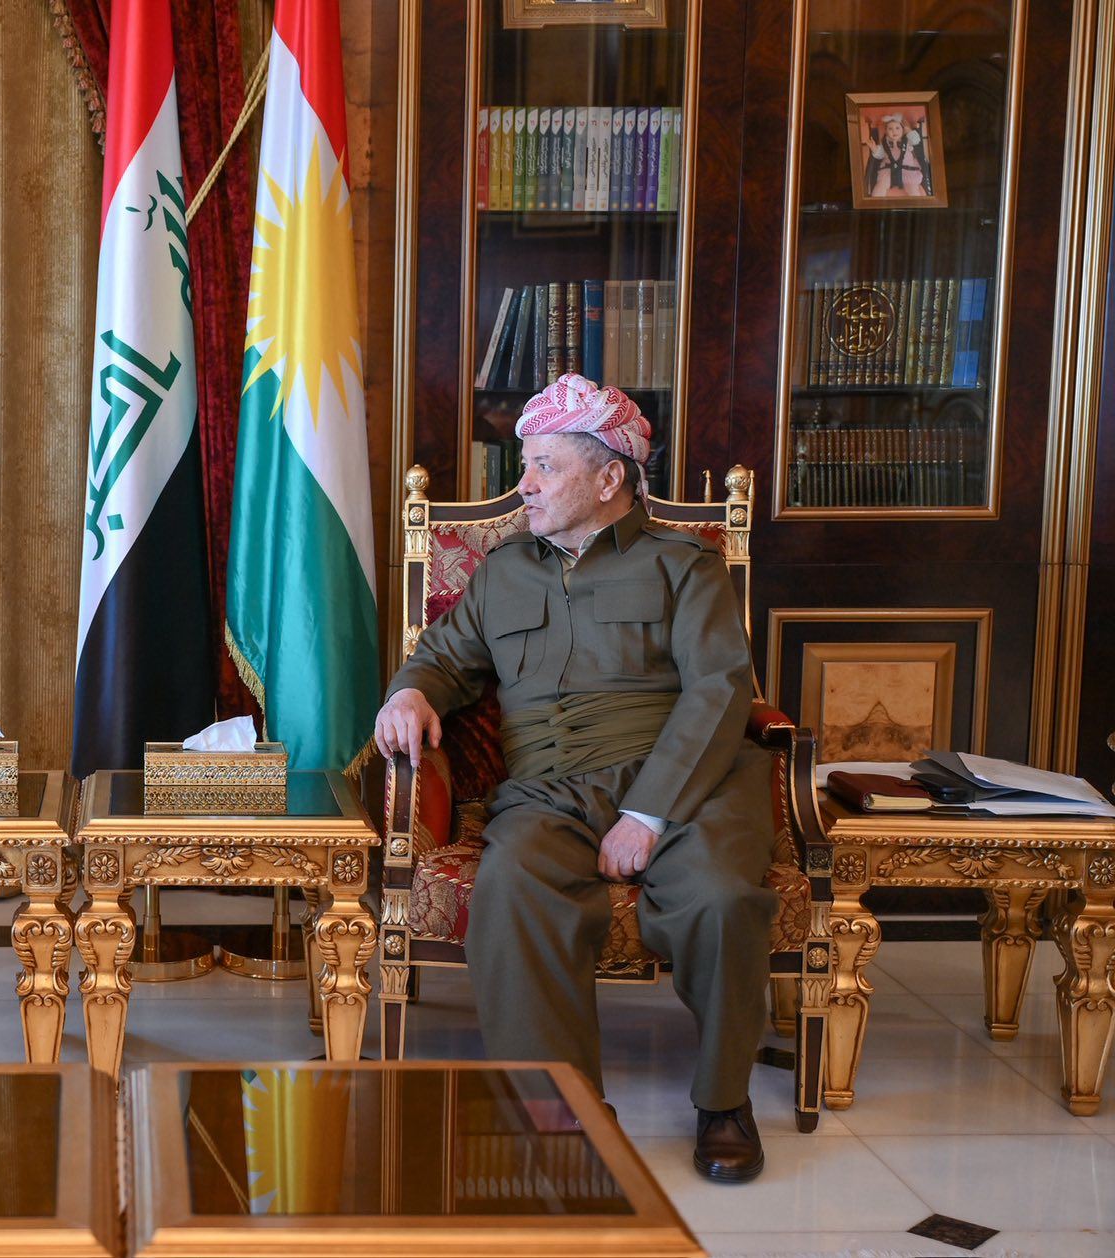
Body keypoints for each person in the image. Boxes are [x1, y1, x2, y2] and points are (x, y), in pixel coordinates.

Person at [372, 374, 775, 1183]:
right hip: (548, 792)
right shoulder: (504, 571)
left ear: (608, 477)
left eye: (544, 467)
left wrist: (647, 816)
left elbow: (720, 690)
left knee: (721, 899)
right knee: (514, 886)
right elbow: (444, 659)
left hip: (683, 782)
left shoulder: (683, 566)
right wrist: (410, 692)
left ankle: (724, 1102)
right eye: (525, 464)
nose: (522, 485)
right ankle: (561, 1107)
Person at [864, 112, 932, 198]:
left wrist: (909, 131)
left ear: (902, 129)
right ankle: (876, 202)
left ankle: (917, 203)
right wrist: (874, 148)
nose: (894, 131)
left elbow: (916, 141)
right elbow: (880, 155)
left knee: (912, 189)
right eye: (890, 129)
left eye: (897, 128)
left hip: (907, 170)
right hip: (889, 171)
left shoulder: (908, 140)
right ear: (886, 131)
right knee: (880, 186)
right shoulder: (884, 143)